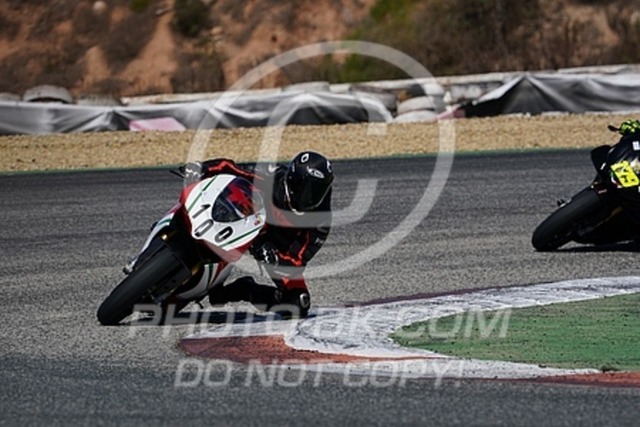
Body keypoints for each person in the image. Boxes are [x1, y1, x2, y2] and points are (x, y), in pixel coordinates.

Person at [181, 151, 334, 318]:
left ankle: (240, 290)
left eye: (318, 191)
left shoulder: (321, 221)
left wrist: (275, 257)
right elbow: (231, 167)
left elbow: (298, 258)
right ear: (291, 179)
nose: (309, 197)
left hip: (273, 247)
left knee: (298, 303)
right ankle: (181, 227)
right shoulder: (272, 174)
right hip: (245, 219)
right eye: (305, 188)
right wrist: (201, 168)